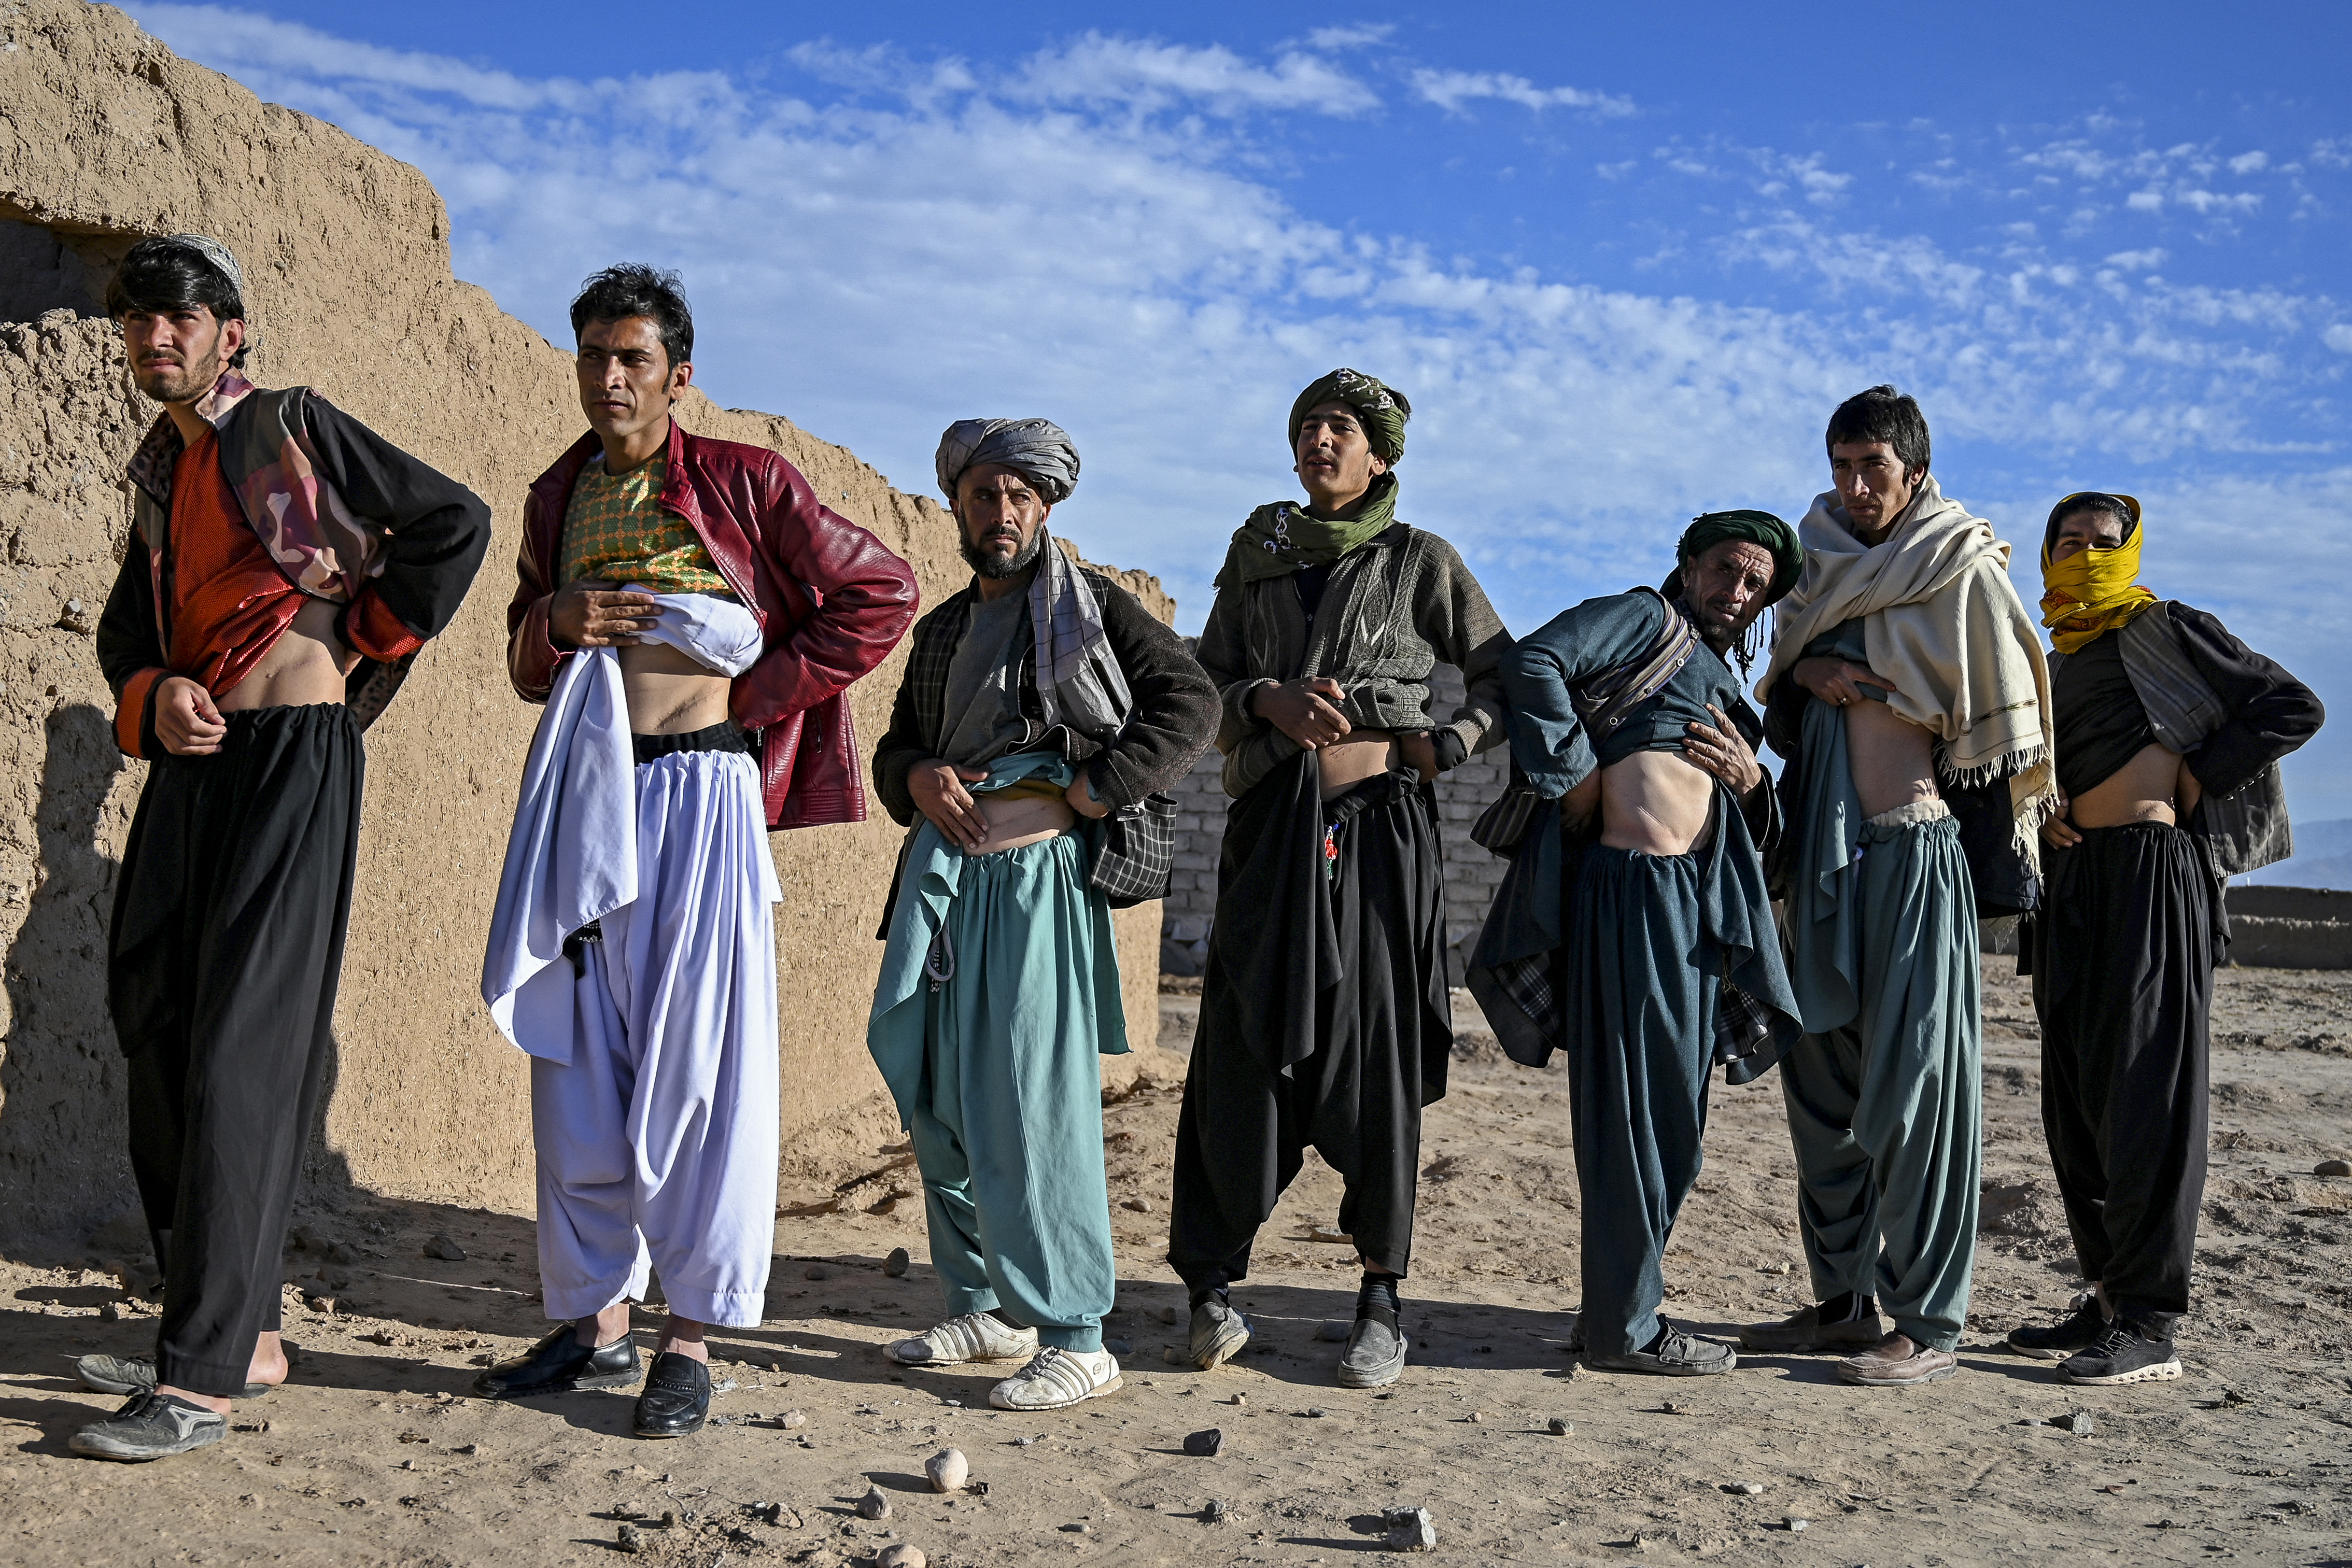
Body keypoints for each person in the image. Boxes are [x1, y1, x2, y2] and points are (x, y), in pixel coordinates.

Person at [475, 265, 916, 1438]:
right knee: (577, 1062)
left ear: (679, 375)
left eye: (632, 357)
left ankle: (691, 1337)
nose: (609, 377)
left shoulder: (743, 480)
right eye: (592, 356)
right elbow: (524, 659)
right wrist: (553, 621)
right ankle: (597, 1325)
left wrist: (752, 698)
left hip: (702, 795)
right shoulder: (557, 495)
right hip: (586, 795)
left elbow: (881, 590)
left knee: (700, 1065)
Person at [75, 235, 492, 1461]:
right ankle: (236, 1332)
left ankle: (198, 1379)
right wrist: (155, 693)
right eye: (138, 320)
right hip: (194, 769)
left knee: (243, 1048)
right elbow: (124, 635)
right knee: (156, 1014)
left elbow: (453, 522)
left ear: (231, 330)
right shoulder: (161, 475)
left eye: (180, 317)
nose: (156, 337)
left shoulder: (288, 427)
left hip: (294, 759)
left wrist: (355, 644)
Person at [1168, 369, 1512, 1389]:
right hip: (1270, 835)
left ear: (1380, 455)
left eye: (1341, 427)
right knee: (1240, 1045)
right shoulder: (1256, 556)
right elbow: (1202, 683)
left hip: (1380, 835)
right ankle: (1208, 1290)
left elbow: (1504, 674)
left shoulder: (1418, 560)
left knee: (1376, 1050)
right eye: (1308, 424)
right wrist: (1264, 699)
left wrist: (1452, 740)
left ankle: (1379, 1299)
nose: (1320, 438)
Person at [867, 418, 1218, 1412]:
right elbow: (896, 747)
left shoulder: (1091, 608)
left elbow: (1192, 702)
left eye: (1020, 495)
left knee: (1031, 1104)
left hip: (1037, 889)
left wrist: (1103, 786)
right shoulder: (942, 629)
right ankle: (986, 1305)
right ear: (957, 504)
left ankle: (1075, 1334)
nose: (1003, 511)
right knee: (938, 1099)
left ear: (1047, 505)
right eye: (985, 494)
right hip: (945, 887)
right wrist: (915, 774)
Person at [1741, 385, 2056, 1388]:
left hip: (1912, 855)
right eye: (1839, 466)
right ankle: (1841, 1301)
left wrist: (1862, 662)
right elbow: (1781, 680)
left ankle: (1927, 1319)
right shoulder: (1812, 561)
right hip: (1819, 856)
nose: (1853, 485)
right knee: (1816, 1081)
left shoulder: (1959, 567)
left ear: (1914, 472)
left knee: (1918, 1087)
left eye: (1871, 466)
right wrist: (1808, 674)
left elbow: (2007, 715)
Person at [2007, 492, 2319, 1386]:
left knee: (2150, 1089)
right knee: (2075, 1097)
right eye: (2067, 541)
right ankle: (2106, 1296)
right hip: (2069, 884)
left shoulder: (2168, 627)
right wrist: (2038, 805)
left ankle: (2150, 1320)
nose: (2083, 555)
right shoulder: (2048, 657)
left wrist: (2200, 773)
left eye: (2102, 542)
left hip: (2153, 874)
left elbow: (2290, 706)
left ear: (2130, 550)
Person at [1487, 513, 1807, 1375]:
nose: (1736, 592)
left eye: (1755, 585)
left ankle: (1615, 1307)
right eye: (1725, 570)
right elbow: (1534, 660)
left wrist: (1751, 782)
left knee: (1675, 1126)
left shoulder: (1723, 682)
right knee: (1630, 1114)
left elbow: (1751, 824)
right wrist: (1575, 777)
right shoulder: (1643, 618)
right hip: (1631, 896)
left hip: (1693, 914)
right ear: (1689, 565)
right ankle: (1624, 1330)